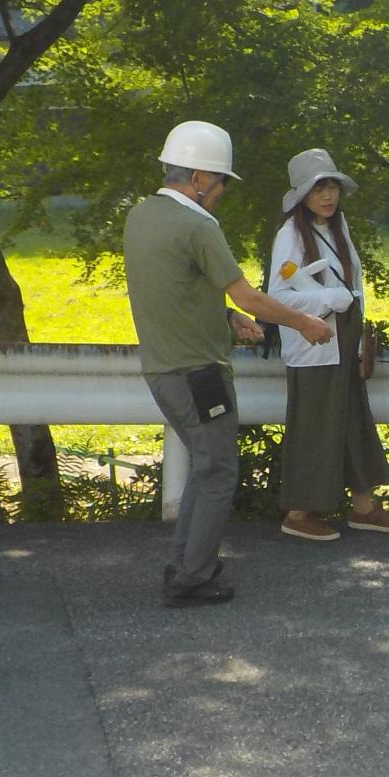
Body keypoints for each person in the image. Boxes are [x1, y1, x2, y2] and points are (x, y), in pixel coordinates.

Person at [124, 120, 334, 608]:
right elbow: (254, 296)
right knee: (218, 474)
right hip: (199, 374)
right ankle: (194, 577)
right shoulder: (198, 225)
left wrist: (225, 317)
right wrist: (304, 322)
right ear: (199, 177)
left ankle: (185, 565)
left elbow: (169, 288)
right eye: (219, 184)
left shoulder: (141, 217)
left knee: (205, 466)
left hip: (161, 369)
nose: (220, 194)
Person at [266, 149, 389, 542]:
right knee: (314, 425)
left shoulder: (336, 229)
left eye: (332, 187)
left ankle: (363, 508)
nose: (328, 196)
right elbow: (277, 296)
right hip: (314, 343)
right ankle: (297, 513)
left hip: (342, 341)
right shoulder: (291, 234)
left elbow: (351, 287)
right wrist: (328, 300)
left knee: (352, 420)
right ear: (302, 195)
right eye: (319, 188)